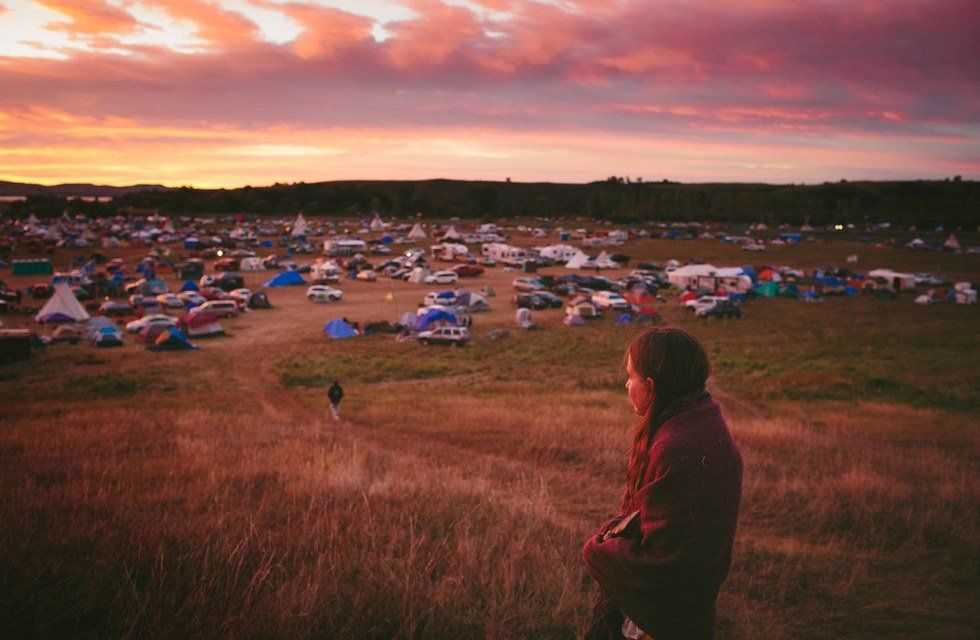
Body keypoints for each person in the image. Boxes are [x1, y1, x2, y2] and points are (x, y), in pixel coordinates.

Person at [582, 327, 743, 640]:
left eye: (631, 377)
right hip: (688, 607)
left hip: (663, 620)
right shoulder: (698, 421)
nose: (627, 385)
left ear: (651, 386)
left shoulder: (677, 445)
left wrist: (597, 551)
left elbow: (664, 561)